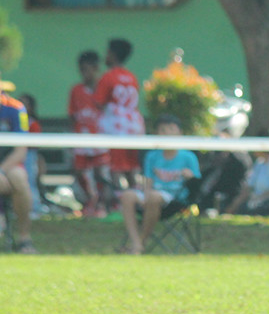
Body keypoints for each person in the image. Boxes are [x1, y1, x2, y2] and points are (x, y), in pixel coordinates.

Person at [119, 115, 200, 254]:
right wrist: (145, 195)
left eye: (171, 129)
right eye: (162, 130)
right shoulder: (152, 156)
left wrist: (189, 176)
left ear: (180, 133)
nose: (167, 133)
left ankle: (142, 241)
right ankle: (135, 242)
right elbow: (148, 180)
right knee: (127, 196)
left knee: (154, 197)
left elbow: (197, 183)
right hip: (152, 194)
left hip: (175, 199)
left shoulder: (188, 157)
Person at [95, 38, 146, 191]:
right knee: (132, 166)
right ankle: (136, 197)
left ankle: (118, 201)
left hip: (116, 126)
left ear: (112, 54)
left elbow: (99, 102)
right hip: (134, 126)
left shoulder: (108, 76)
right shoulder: (132, 77)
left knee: (115, 166)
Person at [68, 50, 113, 217]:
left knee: (100, 172)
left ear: (96, 68)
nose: (84, 74)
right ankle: (89, 201)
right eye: (81, 70)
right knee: (80, 171)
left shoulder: (104, 90)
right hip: (82, 137)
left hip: (100, 137)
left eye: (87, 69)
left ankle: (102, 204)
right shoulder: (76, 90)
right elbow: (72, 114)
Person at [0, 75, 37, 253]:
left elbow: (21, 150)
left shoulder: (16, 108)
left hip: (8, 165)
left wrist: (0, 171)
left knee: (19, 178)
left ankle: (24, 239)